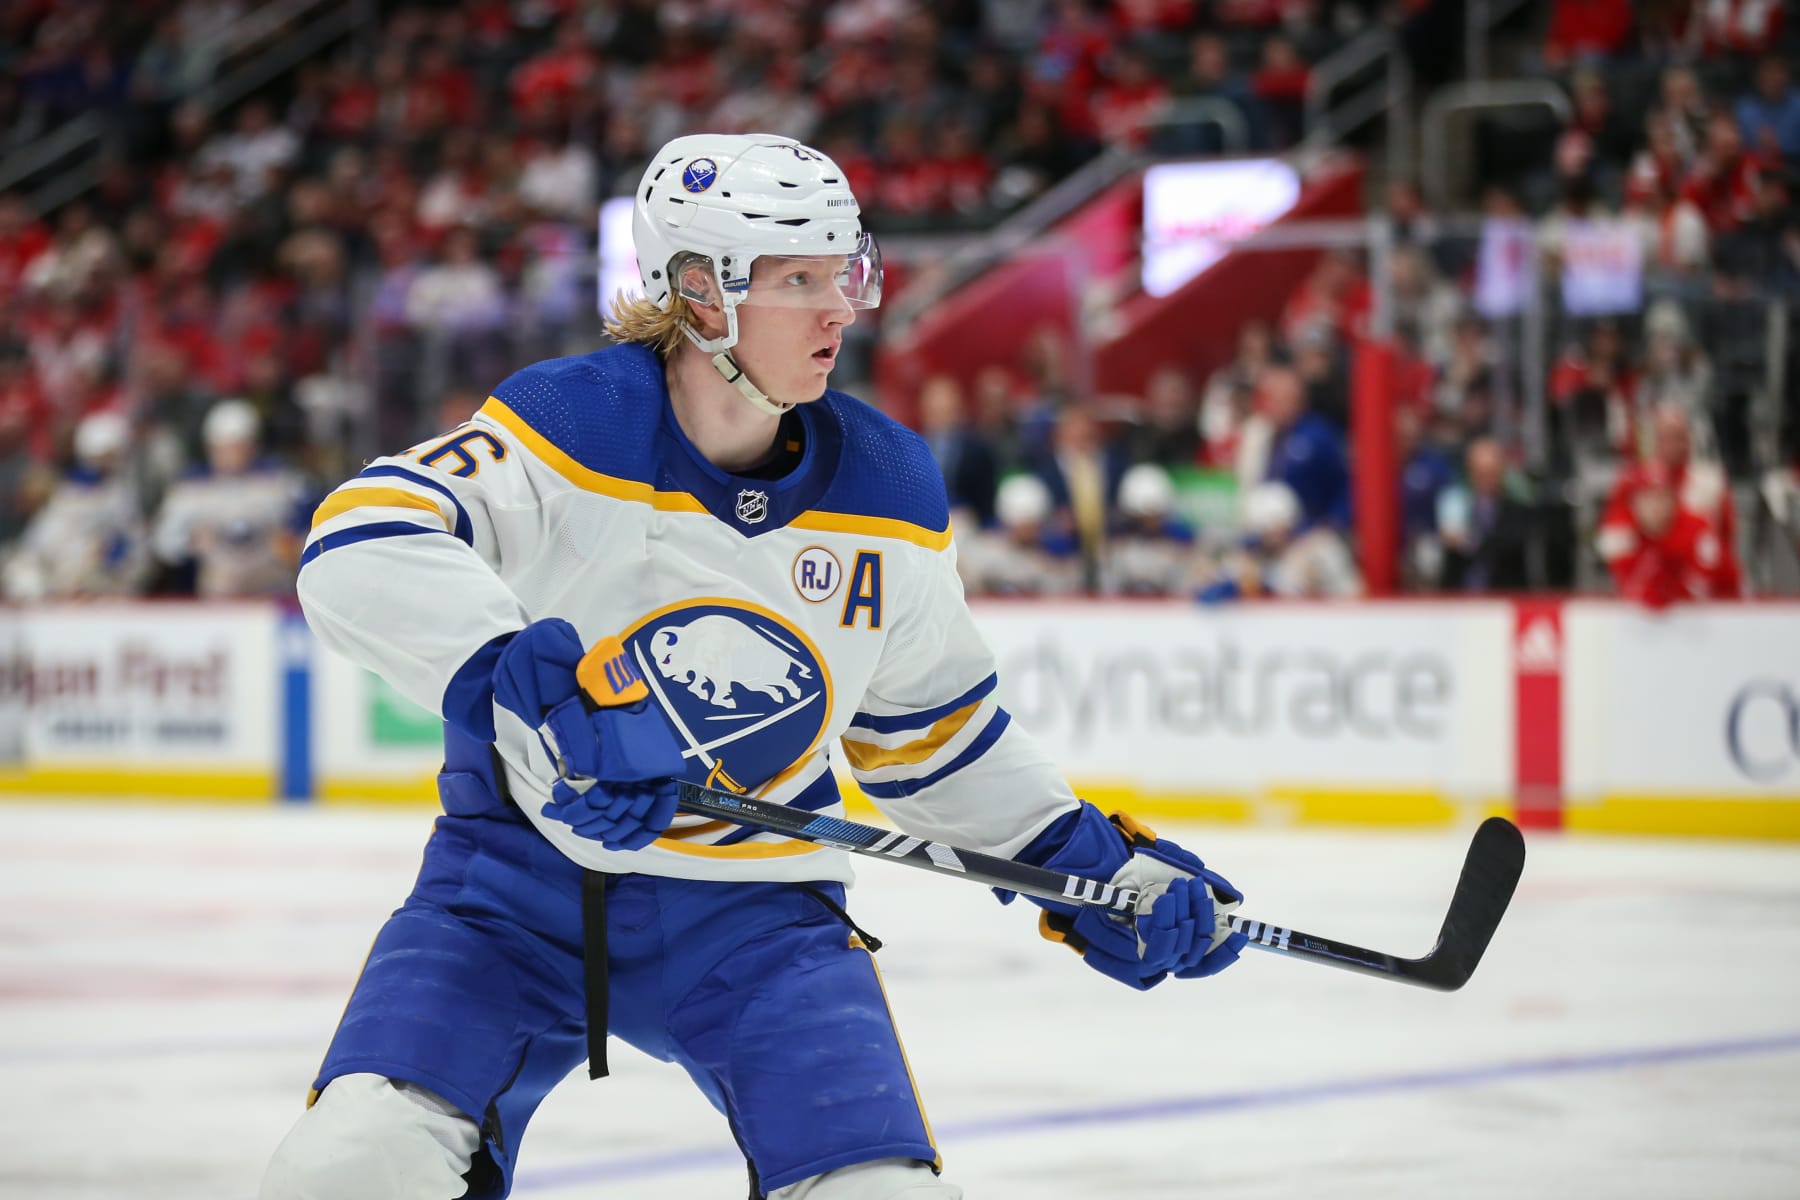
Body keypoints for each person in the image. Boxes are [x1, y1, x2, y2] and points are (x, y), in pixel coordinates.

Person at [261, 133, 1247, 1200]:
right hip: (510, 897)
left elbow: (933, 740)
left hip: (758, 921)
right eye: (799, 281)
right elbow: (360, 537)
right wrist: (537, 693)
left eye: (844, 273)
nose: (841, 311)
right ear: (700, 293)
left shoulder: (888, 485)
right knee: (349, 1169)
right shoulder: (573, 421)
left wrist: (1097, 867)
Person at [152, 399, 309, 597]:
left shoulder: (280, 481)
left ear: (253, 446)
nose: (232, 455)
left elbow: (308, 529)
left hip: (273, 586)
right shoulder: (191, 488)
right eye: (224, 448)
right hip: (218, 591)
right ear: (210, 448)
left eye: (239, 447)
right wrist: (191, 543)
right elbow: (164, 542)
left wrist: (293, 541)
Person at [2, 410, 148, 600]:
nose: (107, 462)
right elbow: (41, 546)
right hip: (61, 585)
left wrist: (123, 551)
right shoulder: (65, 494)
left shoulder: (122, 493)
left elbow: (136, 543)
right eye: (103, 456)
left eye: (112, 455)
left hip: (107, 587)